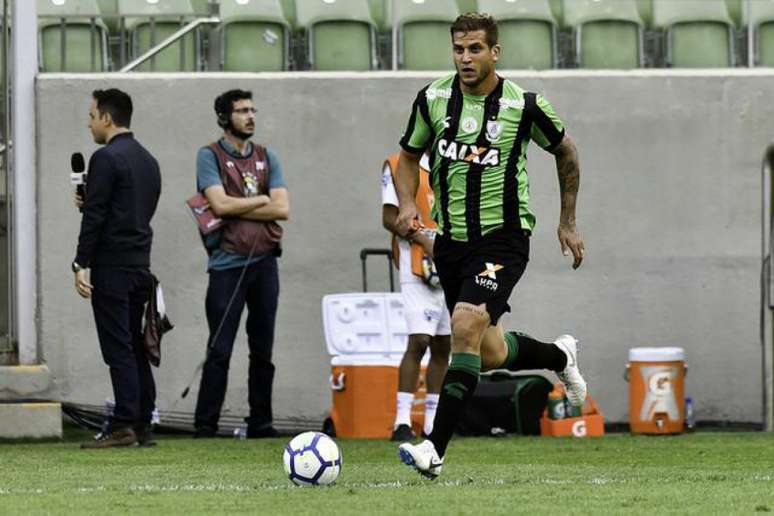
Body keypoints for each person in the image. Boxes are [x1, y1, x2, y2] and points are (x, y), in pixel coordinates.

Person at [394, 13, 587, 479]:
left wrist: (567, 221)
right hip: (452, 242)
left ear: (494, 52)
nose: (465, 58)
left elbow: (566, 152)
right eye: (458, 49)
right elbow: (408, 156)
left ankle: (433, 450)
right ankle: (561, 357)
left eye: (475, 49)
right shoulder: (433, 99)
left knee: (464, 324)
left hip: (505, 237)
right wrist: (404, 202)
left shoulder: (524, 105)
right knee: (488, 350)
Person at [193, 89, 289, 439]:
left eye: (252, 109)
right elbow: (219, 205)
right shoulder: (210, 156)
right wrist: (261, 198)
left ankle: (261, 421)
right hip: (226, 266)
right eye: (241, 111)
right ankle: (206, 424)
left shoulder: (267, 156)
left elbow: (283, 208)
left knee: (262, 348)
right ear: (224, 117)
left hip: (265, 264)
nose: (250, 116)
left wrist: (246, 203)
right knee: (220, 347)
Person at [73, 89, 161, 449]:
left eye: (92, 115)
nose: (89, 122)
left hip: (112, 267)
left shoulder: (105, 158)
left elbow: (97, 217)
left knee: (118, 348)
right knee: (136, 347)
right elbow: (130, 210)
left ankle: (124, 422)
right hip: (140, 265)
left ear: (107, 118)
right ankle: (142, 422)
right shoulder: (148, 160)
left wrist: (81, 262)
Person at [381, 152, 451, 442]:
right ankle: (401, 421)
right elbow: (389, 217)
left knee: (443, 343)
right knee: (419, 339)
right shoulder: (398, 164)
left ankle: (432, 422)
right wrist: (424, 238)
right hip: (416, 263)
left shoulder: (454, 159)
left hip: (450, 261)